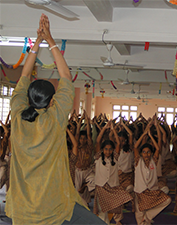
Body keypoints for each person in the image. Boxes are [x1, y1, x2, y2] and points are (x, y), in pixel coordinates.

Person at [6, 14, 105, 224]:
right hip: (54, 208)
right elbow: (66, 78)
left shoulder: (17, 115)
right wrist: (49, 40)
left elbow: (23, 76)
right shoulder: (55, 119)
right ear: (52, 102)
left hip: (23, 210)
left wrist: (37, 43)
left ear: (27, 98)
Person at [94, 121, 133, 225]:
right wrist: (104, 128)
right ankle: (104, 222)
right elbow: (98, 141)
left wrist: (113, 129)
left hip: (112, 185)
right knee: (103, 210)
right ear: (102, 150)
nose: (108, 151)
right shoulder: (98, 157)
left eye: (110, 149)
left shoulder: (115, 157)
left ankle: (118, 220)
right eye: (106, 149)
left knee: (118, 202)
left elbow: (119, 144)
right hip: (101, 186)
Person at [133, 118, 171, 225]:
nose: (146, 154)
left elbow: (157, 149)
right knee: (139, 216)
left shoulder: (153, 161)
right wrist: (145, 133)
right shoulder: (138, 161)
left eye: (148, 152)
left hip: (152, 190)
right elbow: (136, 147)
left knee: (167, 200)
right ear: (141, 153)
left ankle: (149, 216)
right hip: (140, 191)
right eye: (144, 152)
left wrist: (150, 136)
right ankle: (144, 220)